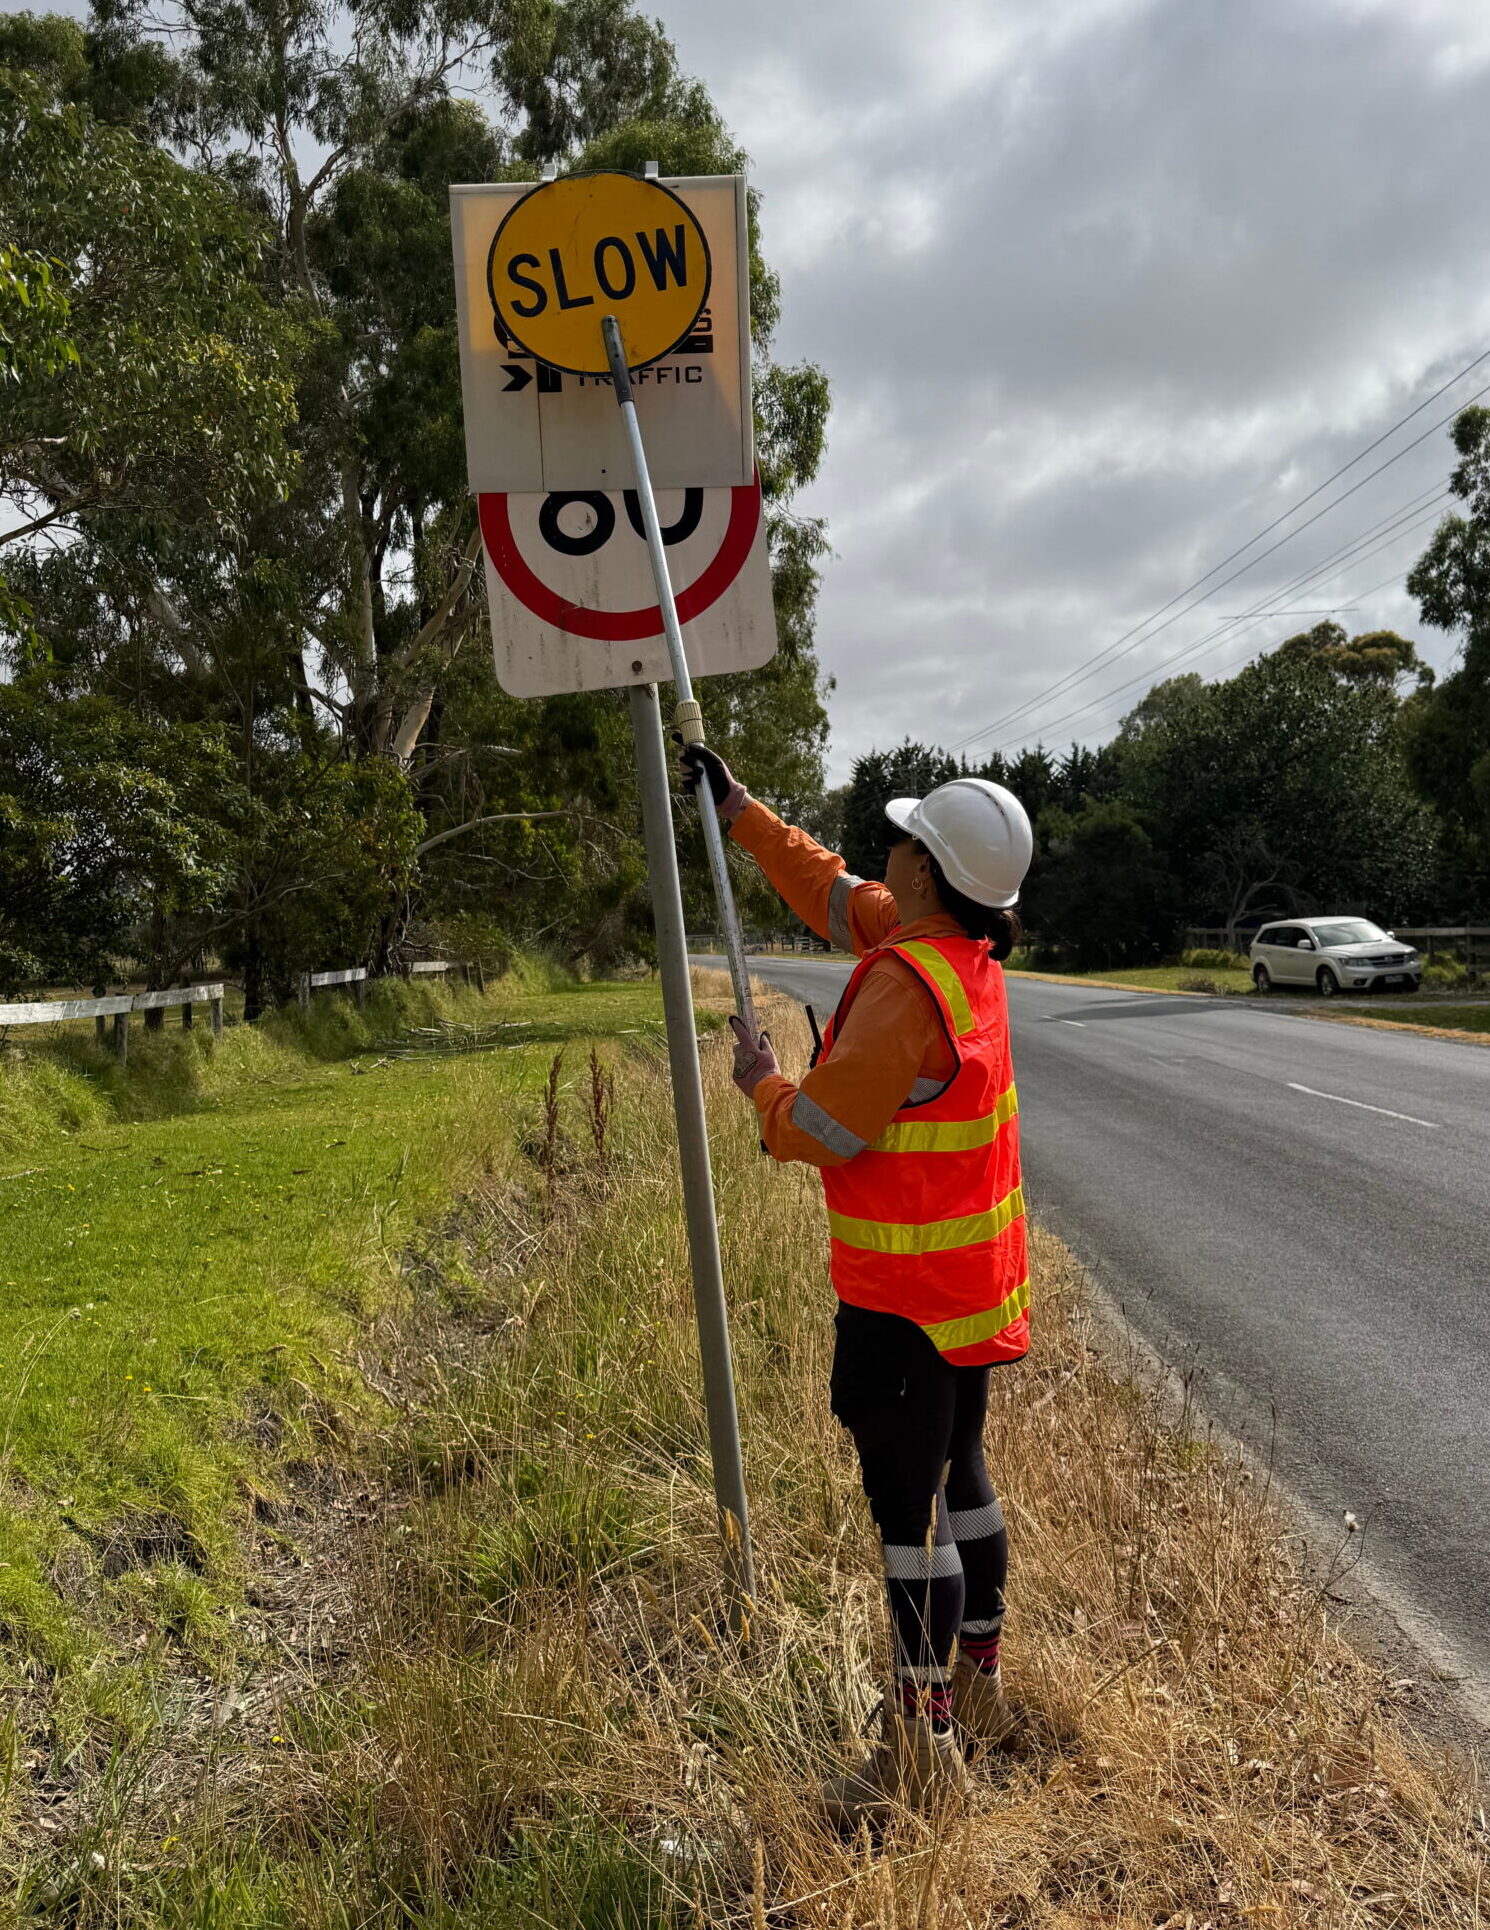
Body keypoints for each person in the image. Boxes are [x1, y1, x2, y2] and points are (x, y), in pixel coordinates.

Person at [680, 742, 1035, 1828]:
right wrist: (740, 813)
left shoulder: (898, 990)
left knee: (904, 1514)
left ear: (925, 872)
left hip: (900, 1301)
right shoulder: (954, 953)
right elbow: (827, 887)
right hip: (969, 1291)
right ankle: (976, 1673)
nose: (884, 854)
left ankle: (920, 1743)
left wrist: (762, 1088)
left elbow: (825, 1130)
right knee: (962, 1469)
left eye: (901, 841)